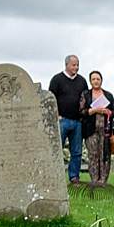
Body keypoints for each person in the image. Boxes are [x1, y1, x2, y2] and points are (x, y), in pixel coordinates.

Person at [48, 54, 88, 183]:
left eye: (77, 65)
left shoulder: (82, 81)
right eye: (73, 65)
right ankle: (54, 176)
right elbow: (50, 99)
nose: (76, 67)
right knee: (56, 149)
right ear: (66, 65)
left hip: (77, 122)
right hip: (62, 120)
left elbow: (85, 99)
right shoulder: (57, 79)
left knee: (76, 152)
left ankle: (74, 177)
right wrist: (57, 116)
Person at [83, 70, 114, 190]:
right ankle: (94, 180)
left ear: (101, 80)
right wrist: (93, 110)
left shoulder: (108, 95)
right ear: (90, 81)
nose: (96, 81)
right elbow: (81, 111)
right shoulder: (86, 95)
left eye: (98, 79)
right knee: (93, 155)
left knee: (105, 155)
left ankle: (103, 181)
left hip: (106, 130)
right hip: (90, 129)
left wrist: (107, 112)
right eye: (93, 79)